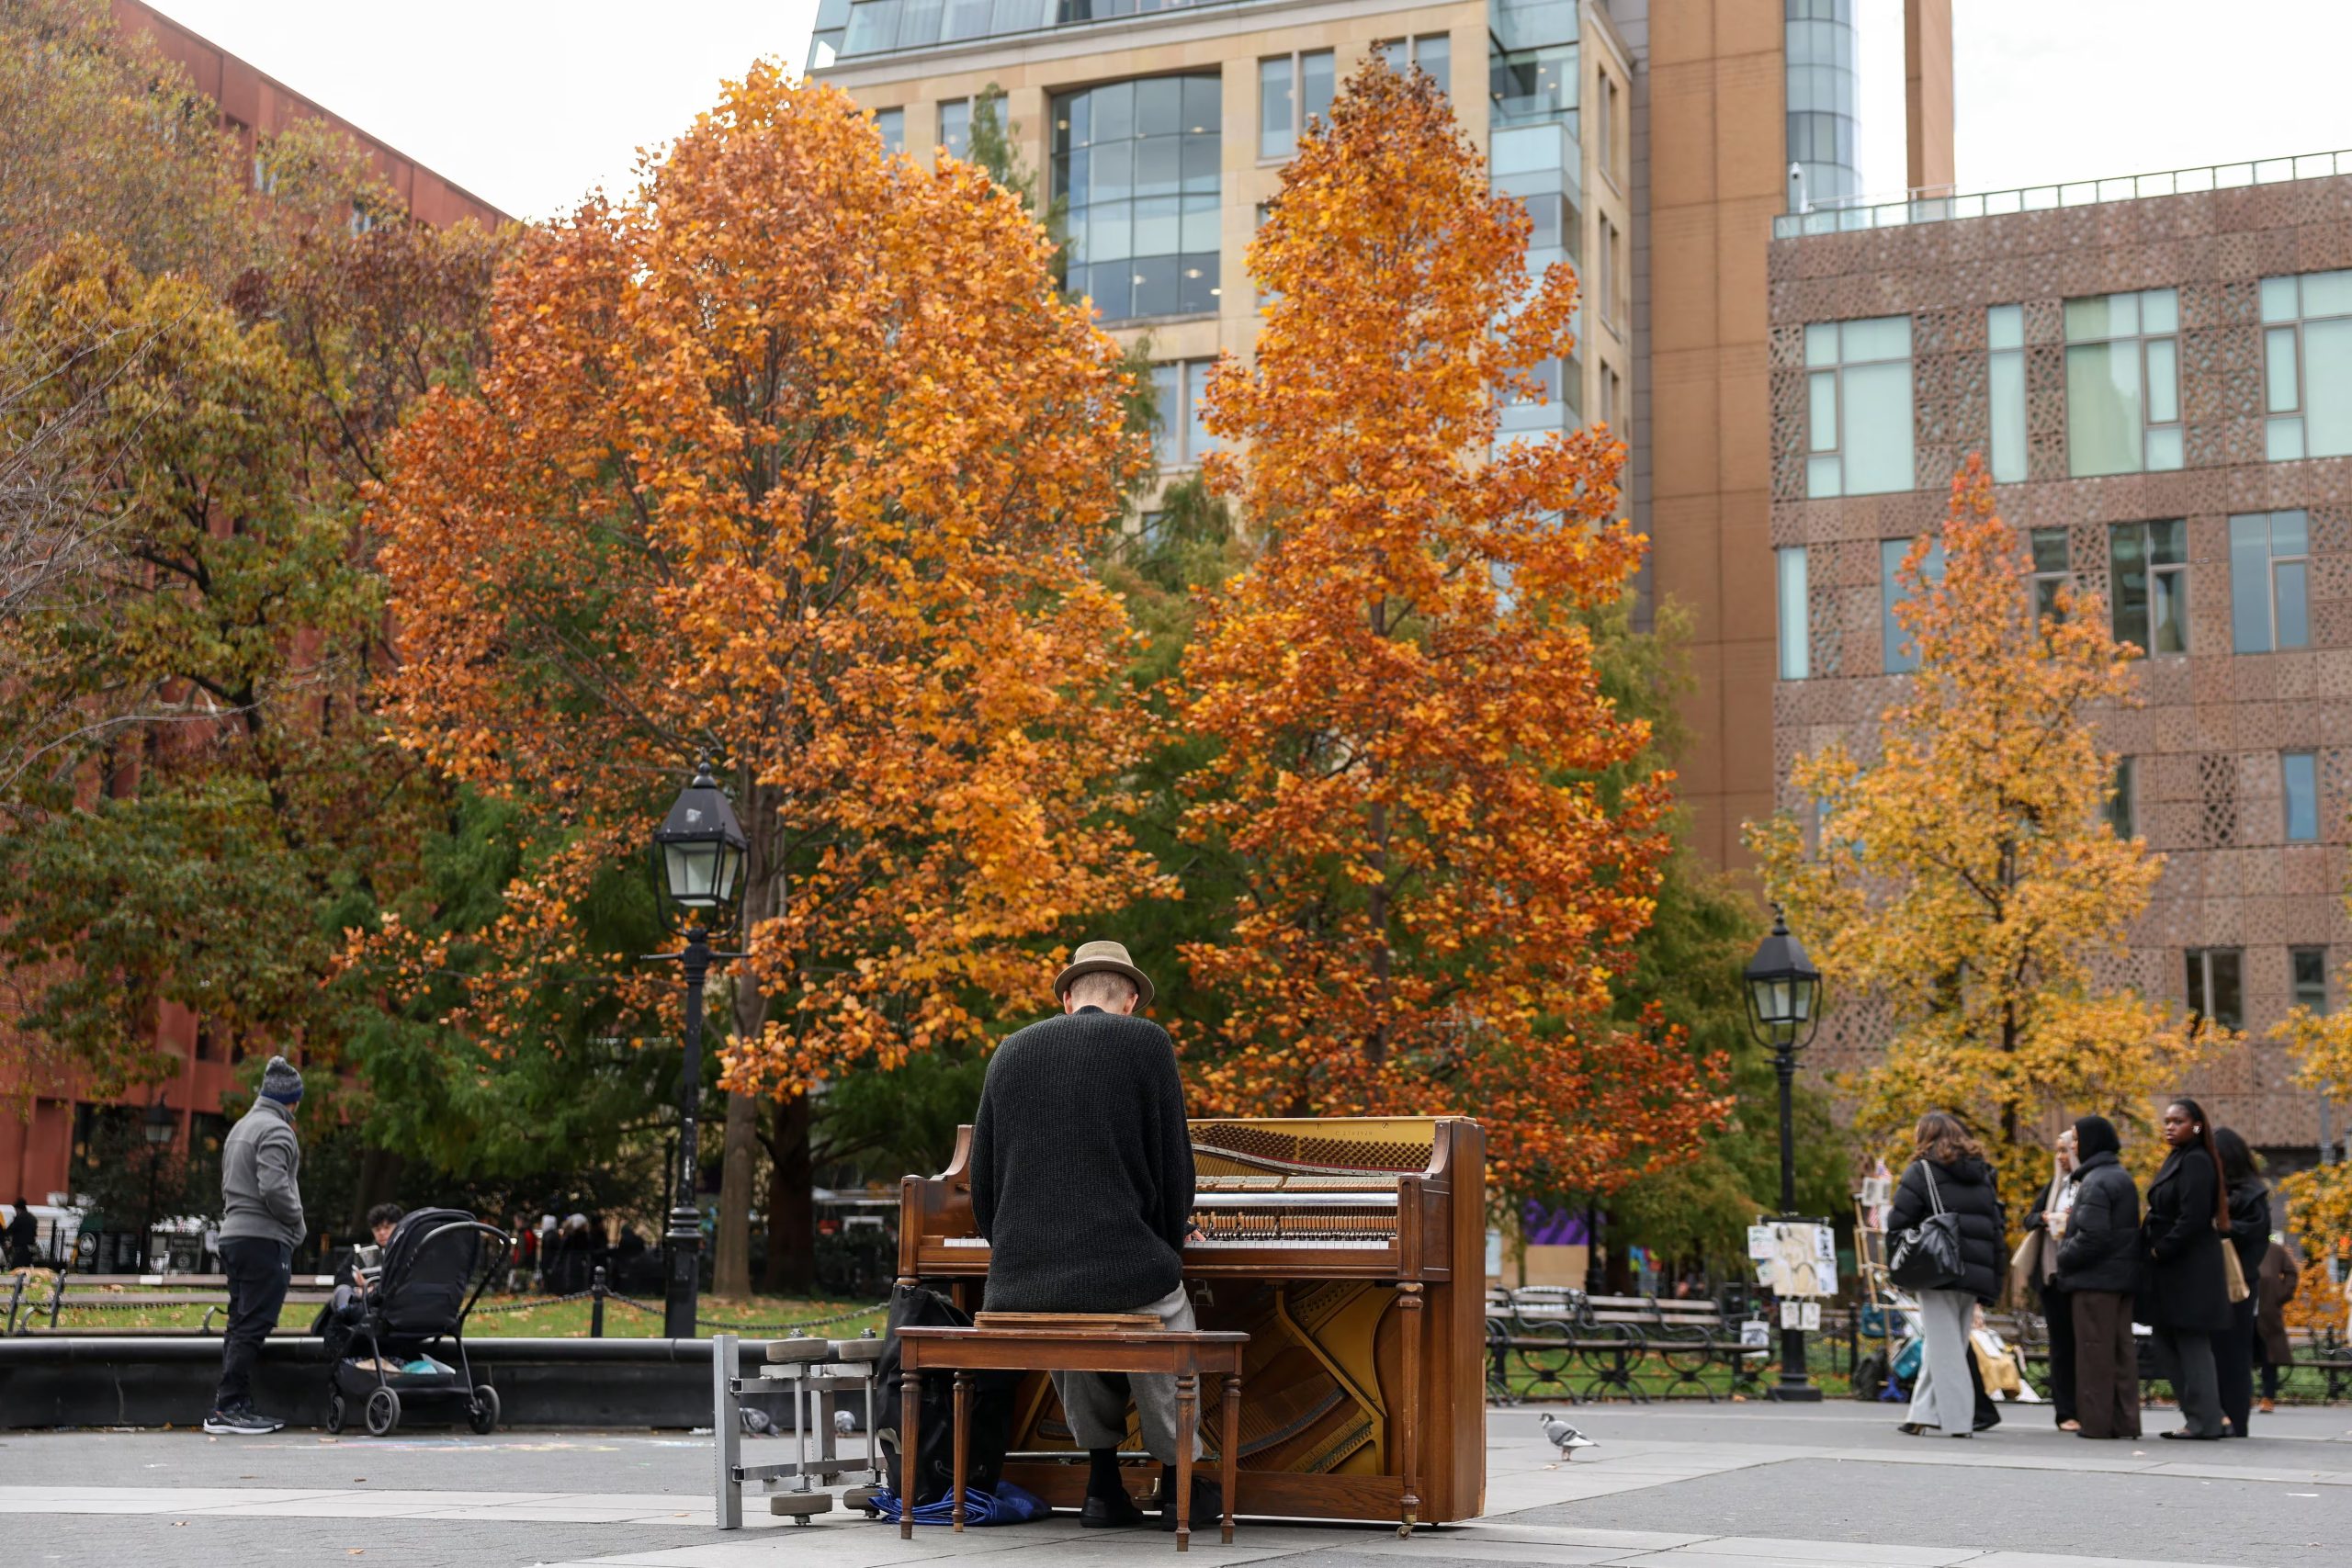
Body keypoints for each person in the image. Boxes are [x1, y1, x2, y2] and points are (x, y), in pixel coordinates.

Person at [968, 939, 1214, 1531]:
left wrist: (1020, 1251)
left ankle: (1102, 1482)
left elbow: (982, 1179)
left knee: (1073, 1312)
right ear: (1130, 1001)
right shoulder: (1147, 1042)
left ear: (1066, 997)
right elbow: (1174, 1167)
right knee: (1162, 1314)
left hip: (1027, 1277)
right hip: (1120, 1262)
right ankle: (1182, 1482)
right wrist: (1168, 1245)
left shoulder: (1012, 1049)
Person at [1886, 1111, 2007, 1438]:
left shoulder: (1920, 1170)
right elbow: (1996, 1229)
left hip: (1938, 1268)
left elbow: (1899, 1223)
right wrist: (1995, 1278)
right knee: (1946, 1343)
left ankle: (1958, 1422)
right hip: (1974, 1271)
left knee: (1945, 1348)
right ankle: (1920, 1414)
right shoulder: (1982, 1174)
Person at [206, 1056, 306, 1436]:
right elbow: (274, 1188)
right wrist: (297, 1221)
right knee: (255, 1322)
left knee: (241, 1320)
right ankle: (230, 1405)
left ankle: (235, 1405)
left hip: (235, 1235)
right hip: (263, 1239)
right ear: (292, 1101)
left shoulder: (241, 1128)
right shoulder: (277, 1131)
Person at [2140, 1097, 2231, 1440]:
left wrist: (2161, 1249)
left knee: (2191, 1345)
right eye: (2166, 1121)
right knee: (2170, 1343)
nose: (2169, 1126)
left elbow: (2192, 1218)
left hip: (2187, 1268)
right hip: (2175, 1267)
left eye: (2177, 1121)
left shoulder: (2196, 1161)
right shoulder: (2180, 1157)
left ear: (2196, 1125)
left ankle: (2204, 1421)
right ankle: (2202, 1417)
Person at [2053, 1114, 2142, 1439]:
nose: (2073, 1146)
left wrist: (2062, 1257)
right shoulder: (2119, 1176)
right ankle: (2125, 1421)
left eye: (2076, 1139)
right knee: (2120, 1352)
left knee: (2094, 1353)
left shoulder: (2095, 1181)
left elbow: (2092, 1236)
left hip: (2094, 1281)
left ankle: (2097, 1423)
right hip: (2119, 1279)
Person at [2212, 1129, 2271, 1437]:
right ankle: (2221, 1415)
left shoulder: (2251, 1193)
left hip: (2237, 1282)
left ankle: (2234, 1418)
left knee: (2233, 1352)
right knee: (2218, 1350)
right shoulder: (2223, 1190)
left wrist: (2221, 1227)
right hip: (2219, 1281)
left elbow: (2253, 1234)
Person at [2021, 1129, 2080, 1430]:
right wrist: (2045, 1218)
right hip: (2052, 1275)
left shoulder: (2090, 1185)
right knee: (2061, 1345)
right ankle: (2065, 1410)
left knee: (2084, 1343)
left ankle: (2084, 1406)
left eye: (2065, 1149)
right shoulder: (2055, 1187)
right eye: (2057, 1150)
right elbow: (2028, 1218)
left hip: (2081, 1274)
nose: (2060, 1156)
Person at [2256, 1235, 2301, 1415]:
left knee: (2269, 1356)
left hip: (2267, 1312)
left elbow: (2292, 1273)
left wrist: (2280, 1295)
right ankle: (2242, 1396)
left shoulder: (2274, 1250)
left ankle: (2268, 1397)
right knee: (2240, 1355)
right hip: (2242, 1311)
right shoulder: (2240, 1246)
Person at [5, 1194, 37, 1269]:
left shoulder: (19, 1218)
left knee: (15, 1269)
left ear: (18, 1209)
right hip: (30, 1249)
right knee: (26, 1268)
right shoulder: (32, 1218)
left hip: (20, 1248)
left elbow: (9, 1230)